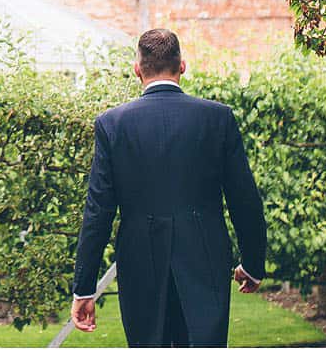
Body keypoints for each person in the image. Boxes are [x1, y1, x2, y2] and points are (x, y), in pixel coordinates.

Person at [69, 28, 267, 348]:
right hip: (206, 258)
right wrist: (253, 264)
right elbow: (244, 199)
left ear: (138, 70)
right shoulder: (218, 118)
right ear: (182, 66)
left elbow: (98, 211)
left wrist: (84, 288)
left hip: (139, 261)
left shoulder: (112, 124)